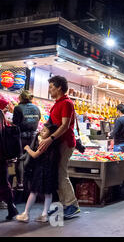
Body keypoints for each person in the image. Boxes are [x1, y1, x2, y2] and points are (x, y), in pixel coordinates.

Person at [37, 75, 80, 219]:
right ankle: (64, 205)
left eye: (51, 87)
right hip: (57, 143)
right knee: (56, 174)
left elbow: (65, 125)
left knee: (62, 174)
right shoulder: (57, 103)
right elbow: (52, 123)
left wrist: (50, 138)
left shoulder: (66, 103)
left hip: (65, 143)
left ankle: (72, 205)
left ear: (59, 87)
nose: (49, 90)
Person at [15, 123, 60, 223]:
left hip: (41, 171)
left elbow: (35, 155)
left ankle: (26, 213)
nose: (41, 132)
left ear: (50, 135)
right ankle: (44, 214)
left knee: (33, 191)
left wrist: (27, 149)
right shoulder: (54, 143)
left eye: (44, 131)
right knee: (48, 193)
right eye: (42, 130)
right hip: (50, 170)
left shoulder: (44, 143)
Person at [12, 90, 41, 190]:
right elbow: (38, 119)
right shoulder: (36, 108)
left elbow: (15, 123)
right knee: (30, 158)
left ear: (21, 98)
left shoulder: (18, 108)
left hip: (21, 136)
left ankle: (20, 183)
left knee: (20, 158)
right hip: (33, 137)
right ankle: (30, 183)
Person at [0, 96, 19, 221]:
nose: (7, 108)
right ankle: (11, 207)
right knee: (3, 181)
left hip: (1, 155)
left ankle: (11, 207)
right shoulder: (2, 117)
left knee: (3, 181)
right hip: (2, 155)